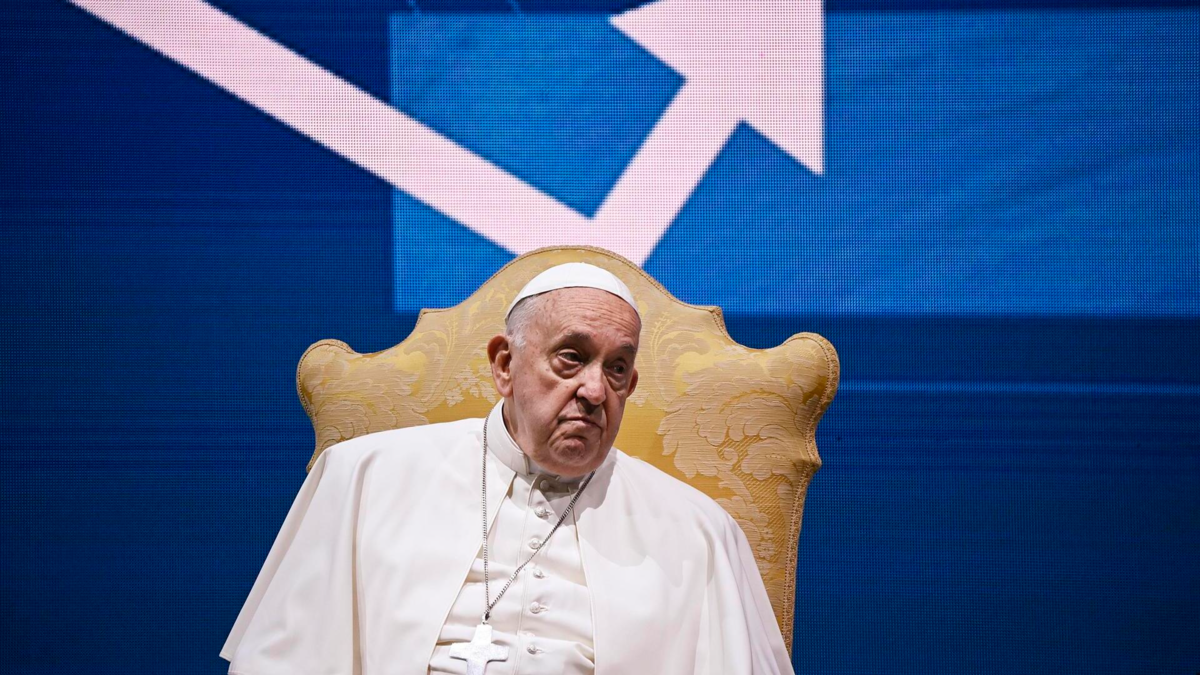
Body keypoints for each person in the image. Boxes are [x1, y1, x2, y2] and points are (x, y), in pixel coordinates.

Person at [220, 263, 794, 674]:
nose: (595, 391)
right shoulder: (364, 477)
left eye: (617, 369)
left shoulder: (697, 532)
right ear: (504, 365)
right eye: (571, 358)